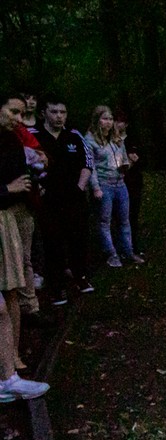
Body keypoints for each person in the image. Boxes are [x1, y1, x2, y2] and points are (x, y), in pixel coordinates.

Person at [0, 92, 51, 400]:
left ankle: (8, 376)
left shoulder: (10, 140)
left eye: (21, 113)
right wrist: (7, 188)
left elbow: (29, 170)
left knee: (5, 305)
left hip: (7, 216)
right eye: (13, 112)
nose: (19, 119)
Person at [32, 95, 95, 306]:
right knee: (53, 242)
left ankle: (80, 276)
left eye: (63, 112)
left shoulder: (74, 136)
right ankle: (56, 286)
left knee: (78, 238)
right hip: (48, 200)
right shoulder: (34, 136)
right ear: (44, 113)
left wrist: (80, 187)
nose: (59, 117)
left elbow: (87, 163)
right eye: (54, 112)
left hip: (74, 198)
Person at [84, 106, 143, 268]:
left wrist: (127, 164)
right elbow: (91, 166)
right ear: (97, 121)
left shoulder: (116, 138)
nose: (109, 123)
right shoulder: (89, 141)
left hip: (120, 183)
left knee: (125, 220)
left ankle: (128, 251)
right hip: (104, 184)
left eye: (110, 119)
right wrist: (95, 187)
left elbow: (123, 157)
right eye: (105, 119)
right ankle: (111, 254)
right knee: (104, 221)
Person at [114, 112, 145, 257]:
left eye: (121, 121)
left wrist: (134, 160)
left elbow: (142, 160)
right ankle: (119, 246)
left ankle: (133, 246)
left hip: (134, 183)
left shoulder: (134, 140)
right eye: (115, 120)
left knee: (132, 215)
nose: (117, 124)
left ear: (126, 124)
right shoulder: (110, 141)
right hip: (116, 183)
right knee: (117, 216)